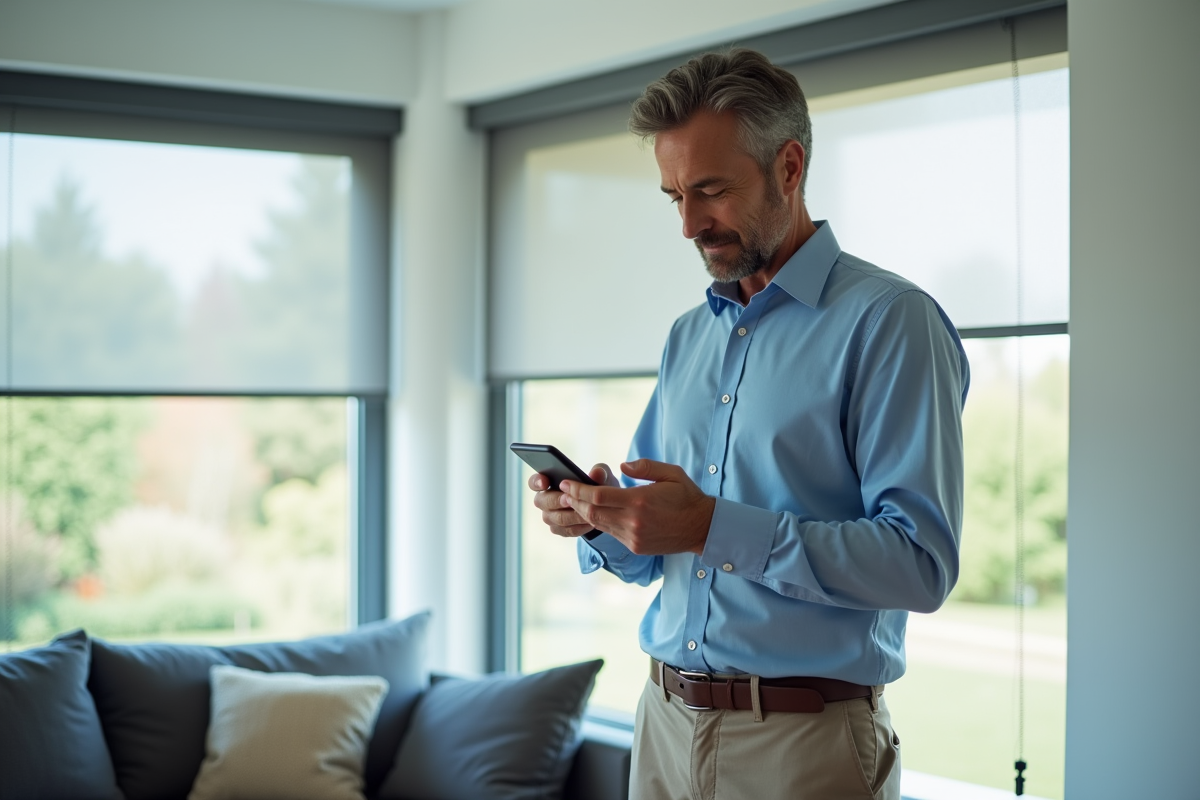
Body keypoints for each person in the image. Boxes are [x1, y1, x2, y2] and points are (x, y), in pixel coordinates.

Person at [528, 49, 969, 800]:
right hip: (662, 728)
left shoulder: (891, 322)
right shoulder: (686, 337)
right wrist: (601, 518)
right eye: (672, 195)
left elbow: (920, 565)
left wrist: (709, 527)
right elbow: (655, 550)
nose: (689, 224)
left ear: (789, 167)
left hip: (802, 748)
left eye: (711, 191)